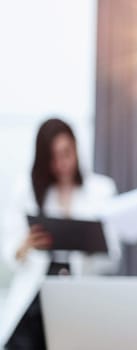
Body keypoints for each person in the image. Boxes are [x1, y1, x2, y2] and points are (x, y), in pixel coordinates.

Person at [0, 118, 120, 349]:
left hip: (81, 292)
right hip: (37, 295)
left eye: (66, 153)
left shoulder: (101, 190)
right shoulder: (27, 189)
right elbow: (10, 252)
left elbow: (113, 256)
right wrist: (24, 246)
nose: (61, 163)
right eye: (53, 157)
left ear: (76, 149)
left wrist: (89, 243)